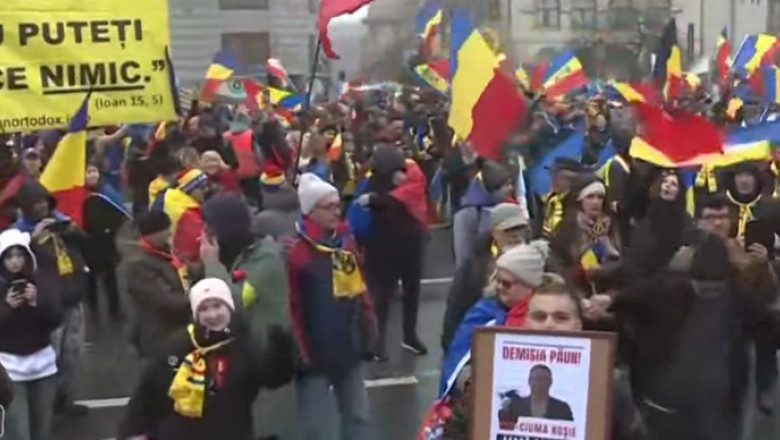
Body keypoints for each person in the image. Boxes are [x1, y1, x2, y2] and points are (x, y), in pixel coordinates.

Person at [118, 278, 296, 440]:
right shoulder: (179, 345)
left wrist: (282, 349)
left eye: (217, 306)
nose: (212, 315)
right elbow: (149, 388)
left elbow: (273, 378)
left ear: (229, 308)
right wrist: (133, 430)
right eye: (204, 309)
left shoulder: (244, 344)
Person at [199, 193, 298, 440]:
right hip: (245, 358)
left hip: (269, 358)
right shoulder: (237, 254)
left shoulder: (265, 259)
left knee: (270, 429)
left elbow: (231, 304)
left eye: (210, 228)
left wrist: (211, 265)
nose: (204, 234)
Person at [286, 173, 377, 440]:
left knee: (358, 417)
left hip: (349, 345)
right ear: (310, 211)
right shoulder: (296, 251)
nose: (337, 211)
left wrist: (369, 325)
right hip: (314, 353)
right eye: (329, 207)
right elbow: (292, 306)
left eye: (338, 204)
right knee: (314, 428)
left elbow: (359, 289)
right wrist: (301, 351)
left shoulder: (345, 241)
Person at [12, 179, 89, 417]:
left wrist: (72, 231)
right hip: (47, 302)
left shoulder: (60, 221)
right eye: (35, 203)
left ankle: (62, 398)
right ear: (26, 206)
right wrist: (33, 242)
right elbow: (15, 267)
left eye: (44, 202)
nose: (42, 207)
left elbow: (86, 245)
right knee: (51, 354)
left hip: (72, 296)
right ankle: (46, 403)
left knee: (72, 353)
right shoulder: (19, 234)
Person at [358, 145, 428, 358]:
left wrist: (375, 200)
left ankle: (409, 336)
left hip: (409, 242)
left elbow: (396, 199)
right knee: (382, 295)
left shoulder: (411, 176)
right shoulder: (374, 181)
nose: (401, 175)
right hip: (384, 245)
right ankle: (377, 343)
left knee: (410, 291)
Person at [441, 203, 530, 352]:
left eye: (520, 229)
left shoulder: (540, 260)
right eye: (508, 230)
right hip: (486, 342)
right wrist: (450, 346)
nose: (516, 235)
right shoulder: (474, 267)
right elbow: (456, 307)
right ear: (494, 232)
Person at [0, 229, 62, 440]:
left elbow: (55, 319)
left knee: (42, 429)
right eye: (9, 257)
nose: (15, 262)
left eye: (19, 255)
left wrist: (37, 303)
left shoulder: (40, 281)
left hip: (42, 364)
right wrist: (7, 307)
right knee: (19, 432)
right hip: (8, 368)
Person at [126, 211, 192, 358]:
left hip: (178, 326)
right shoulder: (139, 264)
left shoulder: (164, 250)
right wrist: (197, 298)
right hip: (160, 334)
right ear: (153, 234)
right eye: (166, 230)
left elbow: (184, 268)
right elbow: (165, 299)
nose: (171, 232)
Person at [82, 163, 125, 321]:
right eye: (88, 172)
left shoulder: (106, 192)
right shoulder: (79, 194)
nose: (92, 175)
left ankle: (115, 309)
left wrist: (111, 228)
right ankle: (92, 309)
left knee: (110, 278)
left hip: (106, 242)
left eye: (94, 171)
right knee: (90, 279)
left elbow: (119, 211)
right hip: (87, 242)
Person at [452, 158, 512, 269]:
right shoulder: (466, 215)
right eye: (505, 185)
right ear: (491, 189)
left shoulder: (510, 209)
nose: (510, 189)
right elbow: (463, 257)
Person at [153, 168, 210, 266]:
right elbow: (191, 250)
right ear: (189, 189)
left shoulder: (169, 198)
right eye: (201, 187)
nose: (207, 190)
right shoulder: (188, 215)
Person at [497, 364, 573, 424]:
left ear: (551, 382)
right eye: (537, 379)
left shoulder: (562, 409)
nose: (540, 383)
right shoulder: (515, 407)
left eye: (544, 379)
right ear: (529, 381)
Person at [538, 157, 583, 238]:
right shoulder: (550, 199)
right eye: (551, 174)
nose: (552, 179)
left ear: (570, 179)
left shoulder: (580, 201)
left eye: (556, 175)